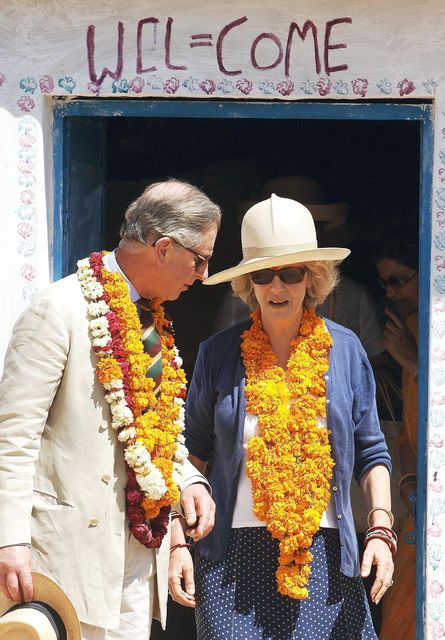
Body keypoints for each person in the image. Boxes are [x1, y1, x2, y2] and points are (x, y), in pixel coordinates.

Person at [0, 179, 220, 640]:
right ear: (163, 248)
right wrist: (10, 540)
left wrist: (188, 479)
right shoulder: (59, 309)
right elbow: (12, 437)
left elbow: (149, 430)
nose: (201, 274)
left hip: (139, 550)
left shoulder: (154, 320)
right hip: (63, 552)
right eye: (199, 259)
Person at [170, 194, 395, 639]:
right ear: (247, 284)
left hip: (326, 553)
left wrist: (381, 531)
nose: (277, 288)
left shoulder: (345, 350)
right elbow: (189, 454)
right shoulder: (218, 353)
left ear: (312, 279)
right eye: (262, 275)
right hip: (232, 558)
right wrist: (176, 540)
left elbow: (372, 451)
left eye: (291, 274)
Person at [375, 228, 419, 640]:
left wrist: (416, 364)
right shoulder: (410, 332)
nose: (390, 293)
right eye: (384, 283)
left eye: (399, 280)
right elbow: (408, 434)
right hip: (420, 505)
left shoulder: (423, 334)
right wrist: (407, 482)